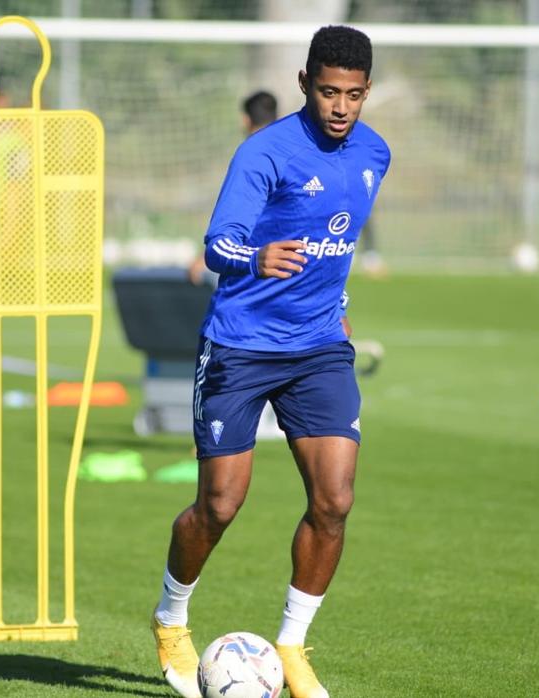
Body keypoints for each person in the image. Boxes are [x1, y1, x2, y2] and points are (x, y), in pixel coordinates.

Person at [151, 25, 389, 698]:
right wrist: (254, 256)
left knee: (335, 501)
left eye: (353, 94)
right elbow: (218, 243)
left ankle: (290, 645)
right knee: (219, 506)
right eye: (327, 92)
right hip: (240, 345)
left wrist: (334, 300)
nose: (340, 106)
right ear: (304, 86)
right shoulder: (265, 153)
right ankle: (171, 617)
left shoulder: (375, 153)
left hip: (318, 348)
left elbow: (335, 244)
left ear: (367, 92)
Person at [188, 89, 279, 286]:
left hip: (253, 268)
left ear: (245, 120)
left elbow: (238, 217)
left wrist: (203, 257)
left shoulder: (249, 157)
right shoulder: (293, 153)